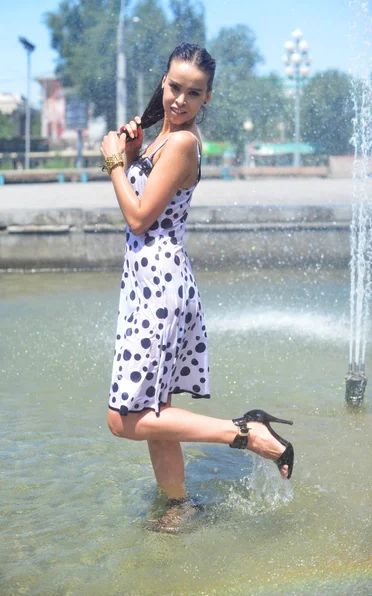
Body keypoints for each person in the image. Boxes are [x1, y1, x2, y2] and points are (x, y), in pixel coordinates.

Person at [101, 42, 294, 529]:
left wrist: (113, 165)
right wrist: (131, 154)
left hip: (160, 285)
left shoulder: (184, 143)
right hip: (149, 283)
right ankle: (178, 505)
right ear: (162, 82)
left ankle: (245, 434)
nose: (180, 100)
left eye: (194, 93)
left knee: (122, 420)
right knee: (157, 412)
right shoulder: (160, 141)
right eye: (174, 87)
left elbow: (140, 218)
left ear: (207, 98)